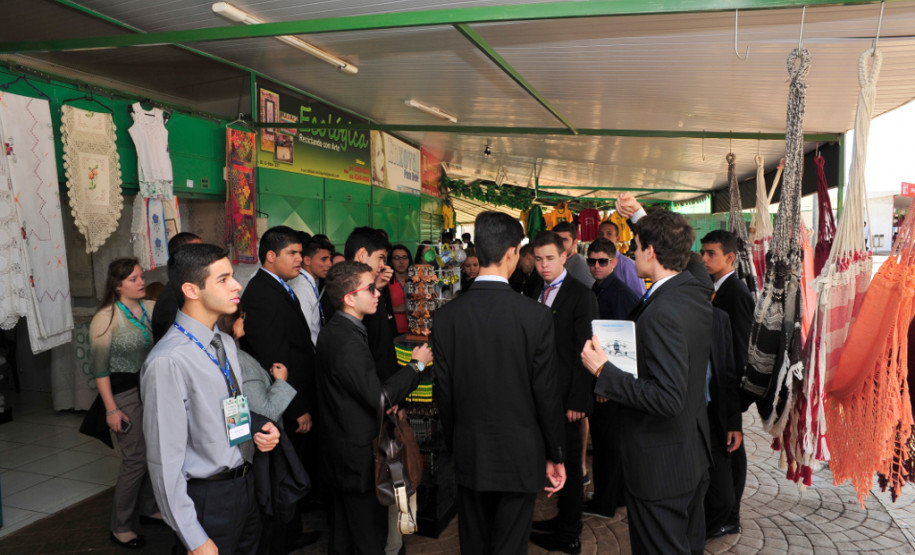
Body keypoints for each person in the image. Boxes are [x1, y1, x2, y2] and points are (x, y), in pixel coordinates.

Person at [432, 211, 567, 555]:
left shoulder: (447, 317)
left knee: (473, 542)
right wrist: (556, 453)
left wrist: (455, 439)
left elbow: (443, 392)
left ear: (477, 249)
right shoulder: (534, 316)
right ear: (511, 253)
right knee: (510, 544)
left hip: (469, 448)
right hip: (519, 453)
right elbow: (546, 392)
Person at [581, 208, 712, 555]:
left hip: (662, 469)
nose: (631, 253)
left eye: (636, 246)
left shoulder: (665, 310)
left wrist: (604, 372)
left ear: (651, 251)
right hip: (690, 457)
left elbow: (668, 398)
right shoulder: (694, 290)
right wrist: (641, 216)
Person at [141, 243, 281, 555]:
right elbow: (164, 462)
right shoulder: (169, 360)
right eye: (223, 279)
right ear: (191, 289)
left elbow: (229, 407)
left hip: (243, 486)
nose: (236, 285)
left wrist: (254, 431)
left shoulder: (224, 343)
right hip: (206, 498)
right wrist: (194, 537)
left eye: (232, 276)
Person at [315, 260, 433, 554]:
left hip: (343, 451)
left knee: (345, 534)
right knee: (368, 537)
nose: (377, 293)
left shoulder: (343, 329)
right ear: (349, 298)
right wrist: (416, 367)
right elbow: (377, 398)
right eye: (370, 288)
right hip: (354, 456)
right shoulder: (345, 340)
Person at [240, 226, 321, 550]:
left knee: (291, 467)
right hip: (282, 401)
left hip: (292, 394)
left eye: (301, 253)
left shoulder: (280, 287)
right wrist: (297, 407)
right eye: (293, 253)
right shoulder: (261, 293)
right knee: (282, 471)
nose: (300, 259)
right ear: (271, 256)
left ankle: (292, 532)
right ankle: (282, 539)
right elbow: (275, 356)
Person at [528, 231, 598, 554]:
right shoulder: (533, 288)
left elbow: (586, 350)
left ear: (564, 256)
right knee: (552, 462)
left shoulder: (581, 294)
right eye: (538, 259)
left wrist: (579, 399)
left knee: (569, 462)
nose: (544, 266)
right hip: (540, 395)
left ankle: (569, 533)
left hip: (568, 397)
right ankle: (560, 521)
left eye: (550, 259)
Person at [89, 258, 161, 549]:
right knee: (135, 459)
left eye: (141, 276)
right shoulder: (105, 319)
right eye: (133, 279)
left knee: (154, 452)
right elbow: (100, 370)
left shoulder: (151, 308)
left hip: (151, 390)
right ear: (118, 286)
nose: (141, 282)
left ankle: (149, 507)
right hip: (123, 394)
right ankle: (120, 527)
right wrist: (111, 410)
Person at [684, 253, 743, 541]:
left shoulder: (719, 320)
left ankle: (699, 533)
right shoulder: (670, 319)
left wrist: (734, 423)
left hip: (712, 416)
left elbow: (729, 375)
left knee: (723, 496)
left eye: (705, 295)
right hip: (681, 417)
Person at [700, 230, 754, 538]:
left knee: (733, 449)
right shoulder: (715, 288)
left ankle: (729, 516)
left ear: (729, 258)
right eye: (703, 253)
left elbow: (738, 347)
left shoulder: (735, 292)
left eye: (711, 254)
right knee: (728, 446)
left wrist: (734, 397)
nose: (705, 258)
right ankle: (723, 511)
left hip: (728, 383)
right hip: (719, 384)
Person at [582, 238, 640, 520]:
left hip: (610, 384)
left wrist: (608, 384)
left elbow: (623, 346)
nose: (596, 266)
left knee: (607, 446)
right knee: (608, 444)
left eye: (602, 261)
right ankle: (613, 496)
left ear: (614, 262)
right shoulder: (598, 288)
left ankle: (605, 502)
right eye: (591, 261)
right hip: (604, 381)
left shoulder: (620, 293)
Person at [344, 227, 398, 380]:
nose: (382, 265)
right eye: (380, 257)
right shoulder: (347, 293)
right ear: (362, 255)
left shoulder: (371, 288)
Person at [151, 232, 202, 342]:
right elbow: (175, 343)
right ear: (181, 258)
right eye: (197, 252)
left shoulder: (190, 289)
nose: (204, 258)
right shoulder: (172, 298)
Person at [289, 236, 334, 347]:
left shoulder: (311, 282)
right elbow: (304, 331)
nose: (329, 264)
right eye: (324, 259)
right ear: (307, 260)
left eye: (330, 259)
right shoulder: (301, 288)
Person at [598, 220, 646, 297]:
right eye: (600, 234)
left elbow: (639, 297)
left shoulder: (627, 265)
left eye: (609, 234)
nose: (604, 237)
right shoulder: (595, 264)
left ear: (617, 239)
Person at [552, 221, 594, 288]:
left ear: (575, 242)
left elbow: (590, 294)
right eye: (556, 239)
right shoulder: (557, 261)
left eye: (565, 240)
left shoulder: (580, 264)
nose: (560, 243)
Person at [386, 244, 413, 335]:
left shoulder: (416, 280)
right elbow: (380, 309)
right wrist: (398, 308)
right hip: (394, 331)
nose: (401, 261)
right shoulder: (385, 282)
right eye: (397, 258)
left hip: (416, 330)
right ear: (391, 261)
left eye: (405, 257)